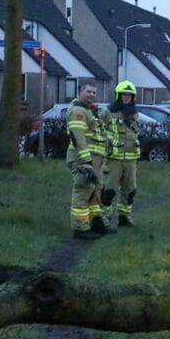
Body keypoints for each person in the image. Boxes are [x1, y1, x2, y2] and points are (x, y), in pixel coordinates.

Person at [65, 81, 109, 240]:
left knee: (94, 192)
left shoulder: (89, 111)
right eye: (88, 91)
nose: (91, 95)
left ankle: (95, 222)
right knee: (83, 192)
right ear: (80, 91)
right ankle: (80, 228)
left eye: (94, 92)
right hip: (85, 159)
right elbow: (78, 138)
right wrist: (86, 161)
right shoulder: (78, 111)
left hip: (94, 159)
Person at [99, 80, 141, 229]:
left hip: (131, 159)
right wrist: (107, 142)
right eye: (124, 95)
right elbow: (98, 130)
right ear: (118, 95)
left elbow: (135, 133)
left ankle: (124, 217)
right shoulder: (108, 112)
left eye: (129, 95)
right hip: (113, 158)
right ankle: (105, 218)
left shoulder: (134, 113)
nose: (126, 98)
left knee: (130, 191)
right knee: (108, 191)